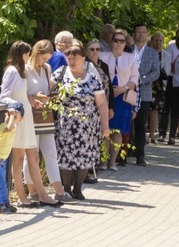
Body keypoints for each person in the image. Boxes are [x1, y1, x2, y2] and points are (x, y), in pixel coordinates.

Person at [1, 41, 62, 208]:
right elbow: (4, 95)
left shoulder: (21, 72)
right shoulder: (12, 71)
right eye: (27, 53)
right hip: (19, 118)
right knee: (19, 159)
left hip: (27, 117)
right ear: (22, 54)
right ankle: (22, 197)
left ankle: (42, 195)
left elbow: (22, 94)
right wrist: (17, 105)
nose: (29, 57)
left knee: (34, 157)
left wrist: (32, 101)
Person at [51, 41, 110, 201]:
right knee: (65, 158)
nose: (71, 60)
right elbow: (49, 96)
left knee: (84, 157)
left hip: (87, 126)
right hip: (66, 126)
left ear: (83, 58)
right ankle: (66, 189)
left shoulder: (92, 79)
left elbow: (102, 102)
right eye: (68, 57)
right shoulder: (60, 74)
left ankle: (78, 189)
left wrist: (105, 125)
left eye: (74, 57)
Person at [23, 40, 74, 203]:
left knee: (51, 153)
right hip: (30, 116)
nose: (45, 61)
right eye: (43, 58)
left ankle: (59, 191)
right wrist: (35, 97)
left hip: (44, 114)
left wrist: (52, 96)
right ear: (36, 53)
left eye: (47, 59)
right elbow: (20, 95)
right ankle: (32, 191)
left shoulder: (47, 69)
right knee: (32, 156)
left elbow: (47, 90)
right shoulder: (25, 69)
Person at [100, 29, 140, 166]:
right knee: (105, 129)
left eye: (121, 41)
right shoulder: (103, 56)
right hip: (106, 97)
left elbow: (135, 78)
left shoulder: (131, 58)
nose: (118, 43)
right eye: (116, 40)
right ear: (111, 42)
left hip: (123, 98)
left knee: (117, 130)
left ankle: (112, 162)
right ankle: (103, 161)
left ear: (125, 43)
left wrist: (124, 88)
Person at [132, 24, 161, 166]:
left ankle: (140, 155)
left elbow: (156, 72)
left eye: (143, 32)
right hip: (127, 92)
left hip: (144, 92)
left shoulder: (152, 53)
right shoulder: (127, 50)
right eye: (138, 31)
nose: (141, 35)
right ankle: (123, 154)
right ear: (134, 34)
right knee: (126, 123)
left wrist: (142, 80)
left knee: (141, 125)